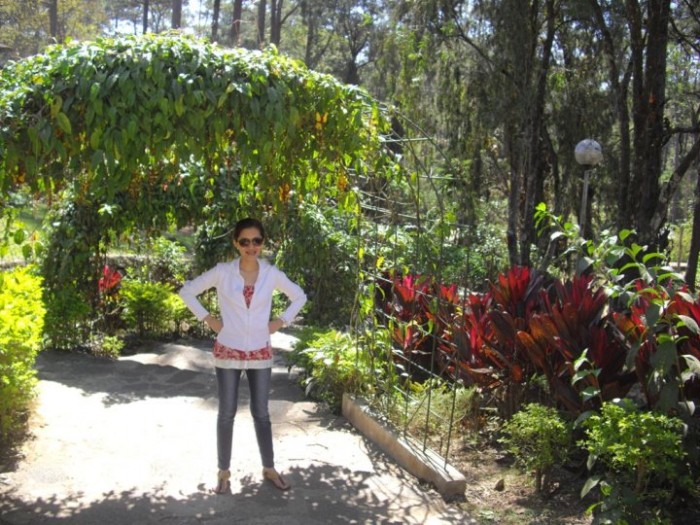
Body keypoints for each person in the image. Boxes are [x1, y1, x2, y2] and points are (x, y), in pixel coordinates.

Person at [179, 217, 307, 494]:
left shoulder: (271, 274)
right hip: (228, 348)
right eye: (245, 241)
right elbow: (187, 291)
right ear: (236, 243)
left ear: (263, 242)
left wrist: (279, 322)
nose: (251, 247)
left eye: (256, 241)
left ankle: (269, 468)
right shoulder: (223, 272)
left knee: (261, 413)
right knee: (226, 413)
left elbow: (299, 296)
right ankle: (223, 472)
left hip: (259, 349)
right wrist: (210, 320)